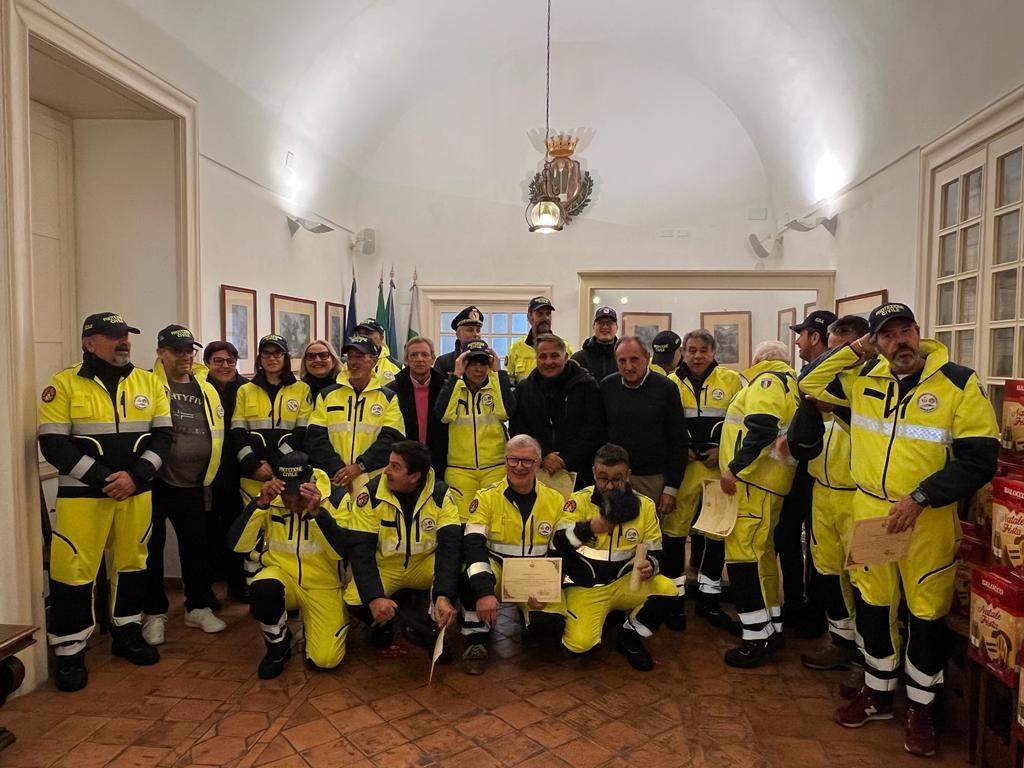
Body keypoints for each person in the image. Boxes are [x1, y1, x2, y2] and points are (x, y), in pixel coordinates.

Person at [799, 302, 998, 757]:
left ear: (918, 332)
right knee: (873, 604)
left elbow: (979, 459)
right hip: (870, 511)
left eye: (904, 331)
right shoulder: (865, 378)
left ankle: (921, 708)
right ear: (877, 342)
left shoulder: (959, 384)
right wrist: (857, 349)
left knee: (926, 612)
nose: (899, 342)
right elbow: (808, 382)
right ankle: (878, 693)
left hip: (926, 517)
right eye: (886, 336)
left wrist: (923, 496)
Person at [38, 312, 172, 691]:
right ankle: (70, 650)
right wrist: (101, 478)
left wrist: (135, 476)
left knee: (132, 563)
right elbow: (53, 443)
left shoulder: (150, 382)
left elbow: (163, 438)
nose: (123, 342)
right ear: (89, 342)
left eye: (126, 336)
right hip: (83, 496)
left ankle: (126, 632)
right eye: (113, 336)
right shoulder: (63, 384)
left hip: (137, 492)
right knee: (73, 569)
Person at [789, 315, 869, 688]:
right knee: (827, 572)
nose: (834, 356)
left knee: (865, 581)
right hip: (823, 489)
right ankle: (841, 641)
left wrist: (834, 407)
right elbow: (808, 381)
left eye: (842, 348)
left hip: (860, 496)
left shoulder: (870, 385)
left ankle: (867, 659)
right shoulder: (825, 384)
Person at [552, 443, 678, 671]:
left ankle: (628, 635)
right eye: (603, 478)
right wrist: (591, 527)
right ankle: (605, 619)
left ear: (628, 475)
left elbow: (657, 550)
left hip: (626, 584)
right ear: (593, 473)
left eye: (617, 479)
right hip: (587, 587)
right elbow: (557, 542)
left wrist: (651, 565)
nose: (609, 486)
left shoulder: (645, 506)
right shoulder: (577, 501)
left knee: (668, 589)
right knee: (579, 645)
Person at [228, 452, 350, 678]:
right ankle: (278, 646)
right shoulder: (270, 497)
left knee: (326, 660)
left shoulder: (337, 498)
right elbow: (237, 545)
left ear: (311, 483)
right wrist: (259, 505)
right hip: (283, 576)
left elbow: (342, 551)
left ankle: (316, 627)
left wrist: (316, 513)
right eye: (287, 497)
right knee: (262, 588)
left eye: (299, 497)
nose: (293, 504)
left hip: (324, 585)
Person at [142, 325, 226, 646]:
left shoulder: (206, 388)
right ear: (161, 353)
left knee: (196, 548)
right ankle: (154, 613)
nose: (185, 356)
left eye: (189, 350)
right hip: (157, 482)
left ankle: (198, 606)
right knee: (152, 550)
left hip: (195, 483)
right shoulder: (149, 385)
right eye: (177, 350)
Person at [718, 340, 800, 668]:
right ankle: (771, 626)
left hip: (753, 484)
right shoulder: (791, 385)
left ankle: (754, 638)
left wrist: (735, 469)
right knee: (763, 557)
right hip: (771, 484)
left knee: (741, 560)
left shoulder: (767, 380)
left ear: (759, 359)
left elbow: (762, 429)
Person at [460, 435, 566, 674]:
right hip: (497, 570)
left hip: (536, 577)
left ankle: (529, 621)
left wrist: (548, 587)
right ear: (505, 462)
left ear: (538, 463)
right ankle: (476, 639)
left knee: (548, 631)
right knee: (469, 579)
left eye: (527, 461)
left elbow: (563, 549)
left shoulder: (556, 500)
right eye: (513, 460)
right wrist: (483, 592)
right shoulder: (485, 497)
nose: (519, 467)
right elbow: (473, 544)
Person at [345, 441, 461, 649]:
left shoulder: (441, 494)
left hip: (424, 564)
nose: (386, 471)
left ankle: (428, 617)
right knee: (355, 600)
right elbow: (360, 551)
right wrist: (374, 598)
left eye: (396, 467)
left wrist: (444, 595)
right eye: (389, 463)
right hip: (387, 566)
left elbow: (449, 548)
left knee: (459, 573)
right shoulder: (370, 495)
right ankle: (387, 622)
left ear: (414, 476)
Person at [665, 329, 744, 631]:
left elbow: (741, 424)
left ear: (713, 352)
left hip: (716, 468)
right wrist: (678, 448)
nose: (697, 356)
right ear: (682, 352)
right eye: (691, 350)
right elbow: (664, 425)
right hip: (682, 471)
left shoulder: (732, 381)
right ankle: (674, 600)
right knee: (674, 533)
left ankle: (709, 601)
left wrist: (720, 452)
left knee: (715, 534)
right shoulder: (670, 383)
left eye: (703, 350)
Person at [778, 309, 836, 635]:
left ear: (815, 336)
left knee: (818, 549)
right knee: (788, 537)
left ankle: (814, 615)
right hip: (803, 470)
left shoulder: (834, 378)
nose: (798, 340)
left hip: (828, 479)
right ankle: (794, 605)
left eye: (801, 334)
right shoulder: (807, 373)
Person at [600, 336, 687, 517]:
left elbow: (678, 441)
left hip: (653, 480)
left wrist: (671, 488)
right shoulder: (607, 386)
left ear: (647, 358)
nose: (628, 366)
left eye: (634, 359)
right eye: (622, 361)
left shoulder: (666, 388)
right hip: (614, 478)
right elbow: (599, 434)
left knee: (649, 539)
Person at [305, 335, 405, 490]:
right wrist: (338, 470)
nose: (353, 362)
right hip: (334, 480)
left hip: (374, 482)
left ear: (373, 360)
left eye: (360, 356)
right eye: (350, 356)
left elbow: (391, 439)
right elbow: (315, 438)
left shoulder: (388, 397)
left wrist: (359, 467)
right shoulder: (327, 395)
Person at [509, 334, 605, 491]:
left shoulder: (587, 386)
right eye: (543, 356)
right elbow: (518, 428)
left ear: (565, 356)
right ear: (536, 358)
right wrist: (543, 455)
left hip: (581, 473)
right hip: (536, 470)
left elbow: (595, 429)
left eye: (554, 356)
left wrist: (565, 459)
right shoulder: (524, 389)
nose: (548, 362)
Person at [436, 339, 516, 521]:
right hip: (459, 469)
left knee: (494, 518)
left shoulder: (495, 385)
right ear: (464, 364)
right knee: (461, 521)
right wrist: (455, 376)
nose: (479, 369)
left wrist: (498, 373)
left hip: (494, 467)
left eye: (483, 364)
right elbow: (443, 415)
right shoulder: (454, 387)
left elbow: (506, 412)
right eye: (473, 364)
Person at [230, 334, 313, 506]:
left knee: (281, 527)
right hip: (252, 476)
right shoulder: (245, 390)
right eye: (266, 354)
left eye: (277, 353)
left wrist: (274, 464)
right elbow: (237, 432)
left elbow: (301, 433)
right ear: (260, 358)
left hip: (288, 475)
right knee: (254, 523)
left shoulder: (302, 389)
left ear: (285, 357)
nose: (272, 358)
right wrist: (252, 465)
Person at [202, 340, 249, 602]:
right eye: (218, 361)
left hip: (236, 472)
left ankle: (237, 584)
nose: (225, 366)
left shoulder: (245, 389)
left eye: (230, 361)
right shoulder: (198, 389)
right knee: (206, 535)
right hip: (206, 474)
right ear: (207, 363)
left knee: (236, 530)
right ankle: (205, 592)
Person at [388, 337, 449, 475]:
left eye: (425, 354)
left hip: (440, 459)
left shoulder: (446, 388)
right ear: (407, 360)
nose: (419, 359)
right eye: (413, 355)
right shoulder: (392, 389)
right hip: (404, 462)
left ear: (433, 358)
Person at [505, 296, 572, 385]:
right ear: (529, 316)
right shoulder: (516, 348)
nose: (545, 318)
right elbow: (509, 383)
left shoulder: (564, 347)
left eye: (548, 314)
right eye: (540, 314)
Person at [571, 306, 618, 382]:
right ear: (593, 326)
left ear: (616, 327)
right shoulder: (578, 359)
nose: (605, 327)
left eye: (609, 323)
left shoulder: (624, 359)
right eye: (600, 323)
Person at [435, 306, 484, 377]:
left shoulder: (488, 361)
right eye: (470, 330)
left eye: (478, 330)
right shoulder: (444, 362)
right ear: (458, 334)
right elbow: (438, 388)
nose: (476, 334)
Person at [353, 318, 401, 383]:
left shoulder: (397, 367)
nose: (364, 338)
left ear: (381, 338)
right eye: (360, 334)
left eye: (368, 334)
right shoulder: (346, 364)